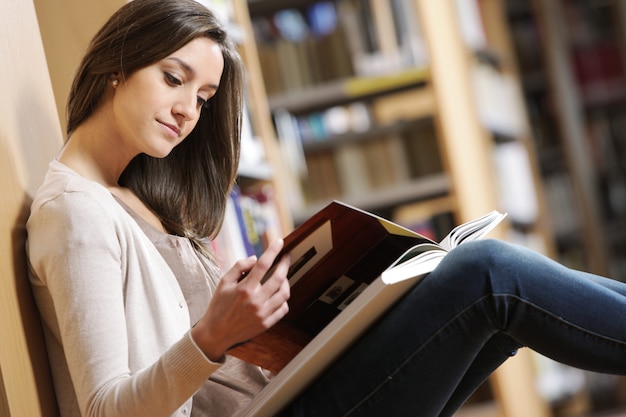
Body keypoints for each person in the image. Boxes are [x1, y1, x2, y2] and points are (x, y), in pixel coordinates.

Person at [25, 0, 626, 416]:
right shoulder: (75, 214)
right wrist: (212, 337)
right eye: (173, 78)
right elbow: (105, 409)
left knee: (487, 308)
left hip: (290, 391)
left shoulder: (140, 200)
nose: (188, 110)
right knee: (489, 276)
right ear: (117, 65)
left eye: (204, 98)